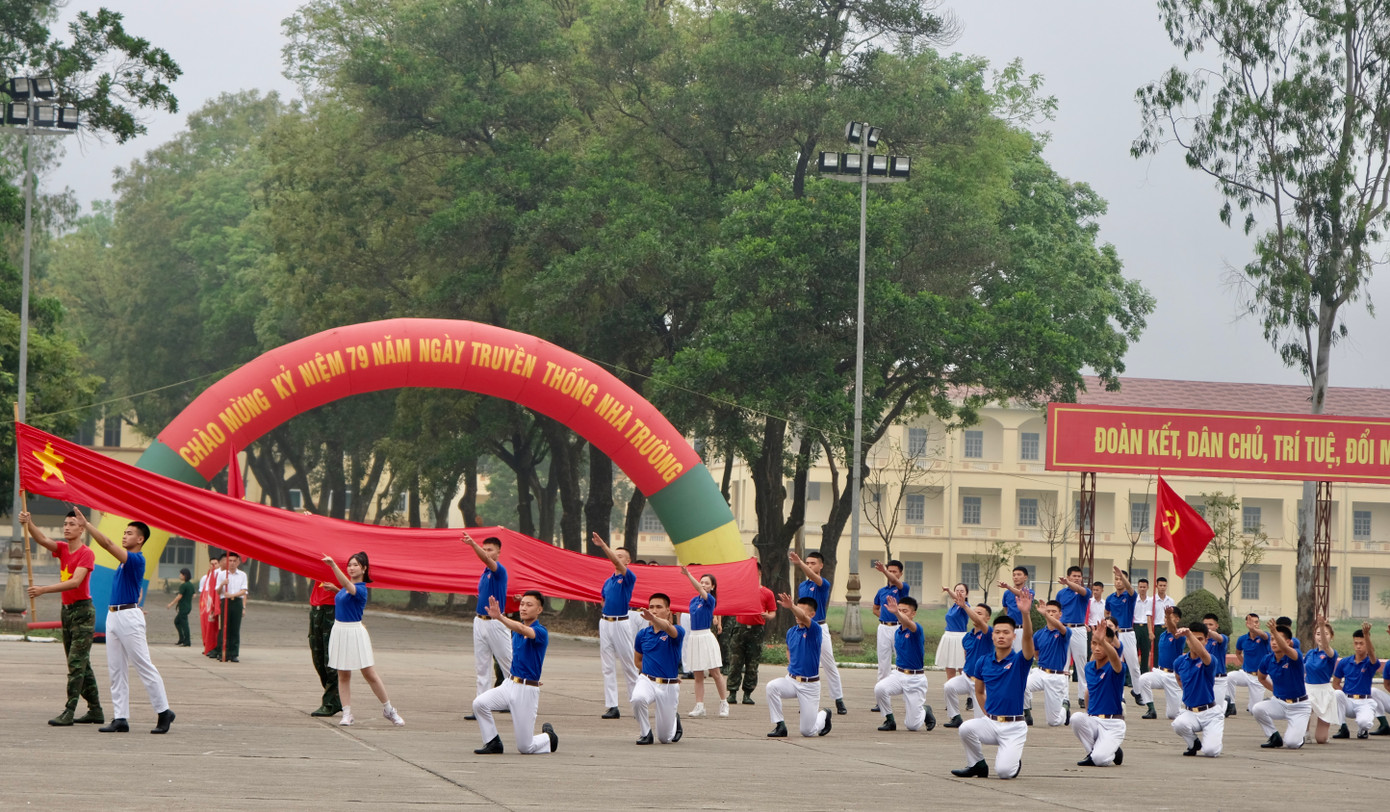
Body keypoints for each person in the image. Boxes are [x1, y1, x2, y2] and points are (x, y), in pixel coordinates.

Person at [78, 507, 174, 734]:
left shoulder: (136, 560)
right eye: (124, 532)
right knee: (116, 669)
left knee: (143, 665)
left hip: (129, 617)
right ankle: (120, 718)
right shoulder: (124, 564)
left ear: (140, 539)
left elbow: (108, 544)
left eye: (129, 533)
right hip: (114, 615)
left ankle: (164, 712)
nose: (124, 535)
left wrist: (87, 525)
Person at [19, 508, 103, 726]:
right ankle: (96, 710)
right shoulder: (63, 549)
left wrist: (43, 590)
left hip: (83, 611)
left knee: (77, 664)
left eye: (72, 524)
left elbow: (76, 582)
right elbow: (43, 539)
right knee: (80, 663)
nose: (67, 527)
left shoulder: (86, 553)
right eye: (65, 524)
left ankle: (69, 710)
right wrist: (29, 523)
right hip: (67, 611)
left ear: (82, 529)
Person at [950, 580, 1036, 780]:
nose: (1001, 636)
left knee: (1005, 773)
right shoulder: (983, 661)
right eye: (997, 632)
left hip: (1014, 726)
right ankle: (977, 764)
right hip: (992, 723)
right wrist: (987, 711)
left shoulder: (1019, 661)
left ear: (1013, 636)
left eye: (1006, 633)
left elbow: (1028, 639)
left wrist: (1025, 613)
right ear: (993, 636)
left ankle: (1012, 760)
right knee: (966, 728)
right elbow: (979, 691)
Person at [321, 551, 404, 728]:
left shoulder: (361, 589)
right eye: (349, 565)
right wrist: (336, 590)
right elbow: (345, 595)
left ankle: (389, 709)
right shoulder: (347, 588)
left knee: (369, 673)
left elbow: (350, 589)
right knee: (343, 675)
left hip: (354, 632)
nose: (351, 568)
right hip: (340, 631)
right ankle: (347, 713)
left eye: (355, 565)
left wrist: (333, 566)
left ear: (364, 568)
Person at [472, 591, 558, 754]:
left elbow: (522, 628)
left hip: (526, 691)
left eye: (529, 605)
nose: (524, 608)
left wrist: (500, 617)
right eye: (522, 605)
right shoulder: (517, 632)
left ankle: (549, 737)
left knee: (526, 747)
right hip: (509, 684)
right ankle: (493, 742)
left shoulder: (540, 632)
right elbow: (519, 629)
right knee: (479, 704)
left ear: (539, 610)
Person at [765, 593, 832, 738]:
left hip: (810, 686)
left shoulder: (815, 630)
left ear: (812, 614)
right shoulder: (791, 632)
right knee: (772, 687)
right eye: (796, 610)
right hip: (792, 680)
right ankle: (780, 725)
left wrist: (792, 606)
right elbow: (789, 650)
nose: (796, 614)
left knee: (807, 731)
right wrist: (792, 665)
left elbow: (803, 617)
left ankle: (824, 714)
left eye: (801, 611)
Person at [789, 551, 846, 715]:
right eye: (808, 562)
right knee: (804, 665)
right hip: (804, 628)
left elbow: (814, 577)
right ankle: (805, 701)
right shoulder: (802, 586)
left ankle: (839, 699)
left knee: (829, 664)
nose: (810, 565)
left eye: (813, 563)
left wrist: (800, 563)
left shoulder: (823, 584)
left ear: (821, 565)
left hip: (819, 627)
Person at [463, 532, 511, 721]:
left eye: (490, 550)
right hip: (480, 622)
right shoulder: (485, 573)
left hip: (496, 624)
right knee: (481, 668)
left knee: (509, 665)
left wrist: (473, 545)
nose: (486, 553)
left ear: (499, 552)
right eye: (485, 549)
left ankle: (518, 701)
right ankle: (481, 707)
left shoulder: (499, 571)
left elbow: (485, 560)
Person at [593, 532, 639, 719]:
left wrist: (604, 546)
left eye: (620, 556)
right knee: (608, 666)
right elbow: (604, 599)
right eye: (616, 555)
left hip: (621, 623)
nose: (616, 558)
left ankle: (637, 702)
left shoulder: (629, 577)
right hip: (606, 623)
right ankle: (612, 705)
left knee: (628, 665)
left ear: (628, 561)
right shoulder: (608, 581)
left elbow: (617, 564)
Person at [874, 595, 935, 732]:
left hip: (915, 679)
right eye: (899, 610)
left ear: (913, 613)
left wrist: (896, 612)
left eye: (904, 611)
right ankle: (889, 720)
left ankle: (925, 710)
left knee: (912, 726)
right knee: (880, 688)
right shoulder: (898, 632)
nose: (900, 613)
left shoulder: (916, 630)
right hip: (899, 674)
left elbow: (908, 623)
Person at [631, 592, 685, 745]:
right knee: (637, 698)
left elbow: (668, 628)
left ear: (668, 610)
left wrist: (653, 619)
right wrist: (652, 671)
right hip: (647, 679)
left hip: (668, 685)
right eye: (651, 607)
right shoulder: (642, 634)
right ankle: (645, 733)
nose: (654, 610)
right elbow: (638, 661)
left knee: (665, 738)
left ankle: (674, 719)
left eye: (659, 607)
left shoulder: (677, 631)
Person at [1071, 624, 1126, 766]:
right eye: (1094, 643)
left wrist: (1103, 641)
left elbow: (1115, 658)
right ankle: (1098, 751)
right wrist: (1088, 714)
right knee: (1076, 718)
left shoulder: (1116, 667)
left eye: (1102, 644)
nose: (1097, 648)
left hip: (1113, 723)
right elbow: (1089, 692)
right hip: (1094, 720)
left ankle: (1108, 751)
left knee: (1100, 760)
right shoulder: (1089, 667)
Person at [1251, 619, 1308, 749]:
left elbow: (1287, 650)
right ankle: (1273, 736)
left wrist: (1274, 631)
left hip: (1299, 706)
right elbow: (1261, 678)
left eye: (1277, 639)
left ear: (1288, 642)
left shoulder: (1295, 656)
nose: (1274, 642)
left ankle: (1298, 736)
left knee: (1292, 743)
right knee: (1258, 709)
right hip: (1279, 702)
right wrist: (1275, 690)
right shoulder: (1267, 659)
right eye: (1271, 639)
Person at [725, 560, 776, 705]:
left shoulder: (767, 593)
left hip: (756, 630)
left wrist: (767, 616)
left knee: (752, 664)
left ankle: (747, 693)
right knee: (735, 662)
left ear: (759, 573)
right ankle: (732, 692)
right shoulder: (741, 590)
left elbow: (772, 613)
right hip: (740, 628)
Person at [681, 566, 729, 717]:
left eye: (706, 583)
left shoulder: (711, 600)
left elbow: (701, 591)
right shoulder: (693, 601)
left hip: (706, 637)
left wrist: (688, 574)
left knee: (715, 672)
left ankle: (724, 703)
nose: (703, 585)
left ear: (712, 586)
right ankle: (700, 705)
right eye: (701, 582)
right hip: (694, 638)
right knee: (698, 675)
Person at [1172, 620, 1222, 757]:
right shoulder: (1180, 661)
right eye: (1192, 639)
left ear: (1206, 640)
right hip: (1190, 711)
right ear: (1187, 641)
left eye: (1200, 639)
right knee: (1178, 724)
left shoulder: (1209, 659)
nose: (1195, 642)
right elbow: (1178, 677)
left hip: (1210, 713)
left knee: (1211, 752)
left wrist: (1189, 634)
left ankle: (1210, 740)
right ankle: (1193, 743)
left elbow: (1202, 653)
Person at [942, 597, 992, 728]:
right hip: (967, 677)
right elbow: (967, 656)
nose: (975, 615)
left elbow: (978, 621)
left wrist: (964, 606)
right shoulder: (967, 637)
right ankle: (955, 717)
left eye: (979, 613)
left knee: (982, 721)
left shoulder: (989, 633)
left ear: (988, 618)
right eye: (974, 612)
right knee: (949, 686)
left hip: (982, 682)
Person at [1023, 598, 1071, 727]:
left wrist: (1044, 613)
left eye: (1053, 611)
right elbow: (1036, 654)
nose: (1050, 613)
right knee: (1021, 685)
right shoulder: (1039, 634)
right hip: (1041, 672)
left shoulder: (1064, 631)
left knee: (1053, 722)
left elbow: (1060, 627)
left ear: (1060, 614)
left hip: (1056, 677)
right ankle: (1027, 713)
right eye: (1048, 611)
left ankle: (1065, 706)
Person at [871, 559, 911, 704]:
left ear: (900, 574)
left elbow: (896, 582)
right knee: (883, 664)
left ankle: (909, 694)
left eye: (895, 571)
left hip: (898, 627)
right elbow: (875, 609)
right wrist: (883, 617)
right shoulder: (881, 591)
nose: (891, 574)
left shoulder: (902, 588)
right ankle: (882, 699)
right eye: (890, 570)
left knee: (903, 661)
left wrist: (884, 571)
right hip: (883, 628)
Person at [1136, 606, 1185, 720]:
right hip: (1160, 672)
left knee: (1172, 715)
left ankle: (1188, 706)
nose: (1166, 619)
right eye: (1165, 617)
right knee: (1143, 679)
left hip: (1173, 676)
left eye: (1170, 617)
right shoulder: (1162, 635)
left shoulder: (1179, 635)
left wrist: (1168, 615)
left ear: (1177, 619)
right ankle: (1151, 709)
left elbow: (1173, 630)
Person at [1331, 622, 1379, 739]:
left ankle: (1362, 730)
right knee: (1337, 694)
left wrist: (1366, 635)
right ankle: (1343, 728)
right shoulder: (1344, 662)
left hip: (1364, 701)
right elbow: (1335, 683)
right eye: (1356, 643)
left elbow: (1372, 654)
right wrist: (1344, 695)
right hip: (1348, 701)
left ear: (1367, 644)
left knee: (1365, 723)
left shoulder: (1370, 663)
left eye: (1362, 643)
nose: (1358, 646)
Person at [1104, 566, 1141, 703]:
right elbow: (1107, 613)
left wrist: (1123, 576)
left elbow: (1131, 589)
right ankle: (1120, 696)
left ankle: (1137, 692)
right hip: (1115, 635)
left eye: (1121, 579)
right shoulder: (1110, 598)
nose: (1118, 581)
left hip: (1128, 632)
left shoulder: (1130, 597)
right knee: (1116, 664)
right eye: (1116, 579)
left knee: (1134, 665)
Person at [1054, 568, 1090, 706]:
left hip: (1078, 629)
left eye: (1079, 576)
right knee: (1063, 664)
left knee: (1081, 664)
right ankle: (1064, 697)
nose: (1077, 578)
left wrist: (1069, 583)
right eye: (1074, 576)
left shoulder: (1084, 592)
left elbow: (1080, 590)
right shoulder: (1061, 594)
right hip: (1063, 628)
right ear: (1068, 576)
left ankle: (1082, 696)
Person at [307, 576, 342, 717]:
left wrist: (336, 589)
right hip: (316, 609)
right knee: (318, 659)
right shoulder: (320, 561)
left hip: (333, 609)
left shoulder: (345, 564)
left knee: (331, 660)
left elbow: (353, 592)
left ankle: (330, 702)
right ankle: (336, 698)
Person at [1304, 617, 1338, 743]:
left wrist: (1322, 626)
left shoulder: (1331, 654)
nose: (1321, 637)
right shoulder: (1310, 654)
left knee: (1321, 739)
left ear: (1331, 636)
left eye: (1325, 634)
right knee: (1305, 707)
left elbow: (1325, 645)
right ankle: (1305, 732)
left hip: (1324, 691)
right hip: (1308, 689)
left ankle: (1323, 734)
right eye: (1318, 634)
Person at [1228, 613, 1271, 714]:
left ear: (1259, 624)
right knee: (1229, 677)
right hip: (1245, 674)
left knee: (1254, 711)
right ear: (1246, 624)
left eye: (1256, 622)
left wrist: (1253, 629)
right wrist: (1245, 664)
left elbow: (1264, 635)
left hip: (1259, 677)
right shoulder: (1242, 639)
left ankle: (1267, 702)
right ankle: (1231, 704)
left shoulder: (1265, 637)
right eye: (1251, 622)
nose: (1254, 624)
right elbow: (1238, 653)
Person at [936, 583, 972, 683]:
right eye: (957, 591)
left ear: (967, 594)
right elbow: (956, 598)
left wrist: (949, 591)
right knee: (949, 667)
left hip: (960, 638)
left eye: (962, 591)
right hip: (948, 637)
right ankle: (950, 691)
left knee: (962, 668)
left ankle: (970, 694)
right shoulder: (953, 606)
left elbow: (959, 599)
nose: (959, 593)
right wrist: (948, 590)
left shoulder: (965, 606)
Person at [216, 552, 248, 662]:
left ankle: (233, 653)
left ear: (238, 562)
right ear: (227, 561)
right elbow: (218, 591)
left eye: (235, 561)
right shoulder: (222, 575)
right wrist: (222, 584)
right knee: (225, 627)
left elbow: (244, 591)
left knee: (235, 628)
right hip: (225, 602)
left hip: (237, 602)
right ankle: (222, 651)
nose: (232, 563)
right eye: (230, 561)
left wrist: (233, 596)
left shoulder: (242, 575)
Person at [1202, 613, 1235, 716]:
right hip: (1204, 678)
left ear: (1217, 626)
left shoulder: (1221, 639)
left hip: (1218, 679)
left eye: (1210, 624)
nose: (1207, 627)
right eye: (1205, 625)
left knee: (1217, 713)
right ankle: (1224, 702)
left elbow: (1219, 638)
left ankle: (1225, 703)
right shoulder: (1200, 641)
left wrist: (1209, 632)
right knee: (1205, 708)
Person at [1000, 566, 1034, 652]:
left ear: (1025, 577)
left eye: (1019, 574)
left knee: (1021, 656)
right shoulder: (1007, 593)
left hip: (1022, 630)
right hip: (1009, 629)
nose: (1015, 577)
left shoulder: (1029, 592)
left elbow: (1022, 595)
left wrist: (1009, 587)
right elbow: (1006, 609)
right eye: (1014, 575)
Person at [164, 567, 195, 646]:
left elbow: (179, 596)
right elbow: (194, 595)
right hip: (188, 606)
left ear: (184, 575)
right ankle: (182, 639)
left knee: (184, 624)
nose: (179, 576)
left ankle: (187, 641)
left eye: (181, 574)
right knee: (177, 621)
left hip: (184, 607)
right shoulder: (190, 585)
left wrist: (170, 604)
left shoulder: (184, 585)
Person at [199, 555, 222, 657]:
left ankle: (214, 647)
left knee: (214, 628)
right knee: (205, 627)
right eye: (211, 564)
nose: (213, 566)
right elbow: (202, 592)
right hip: (205, 607)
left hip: (213, 605)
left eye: (215, 564)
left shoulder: (219, 575)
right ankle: (207, 646)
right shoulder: (206, 577)